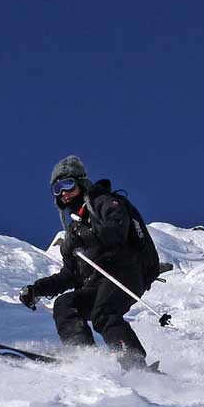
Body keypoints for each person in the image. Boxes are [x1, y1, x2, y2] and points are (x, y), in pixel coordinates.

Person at [20, 155, 160, 370]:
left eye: (67, 184)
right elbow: (70, 274)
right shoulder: (74, 229)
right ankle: (83, 354)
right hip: (96, 283)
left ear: (81, 182)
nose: (63, 193)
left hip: (123, 273)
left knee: (103, 313)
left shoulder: (106, 203)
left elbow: (115, 232)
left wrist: (83, 237)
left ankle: (133, 361)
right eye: (57, 189)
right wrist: (37, 289)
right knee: (66, 304)